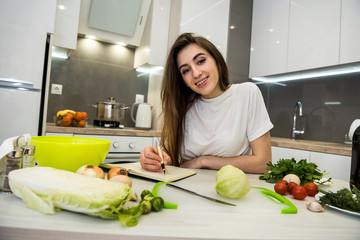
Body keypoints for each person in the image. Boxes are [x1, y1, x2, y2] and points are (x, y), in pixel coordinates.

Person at [140, 33, 273, 174]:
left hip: (229, 193)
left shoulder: (247, 93)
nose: (196, 73)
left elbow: (264, 163)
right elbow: (168, 158)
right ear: (182, 80)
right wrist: (152, 158)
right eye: (186, 70)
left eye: (200, 61)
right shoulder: (183, 104)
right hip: (185, 187)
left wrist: (203, 161)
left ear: (216, 59)